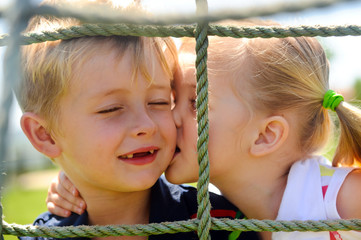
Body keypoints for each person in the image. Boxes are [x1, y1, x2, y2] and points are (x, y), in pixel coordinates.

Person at [48, 19, 361, 240]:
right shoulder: (221, 218)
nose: (172, 117)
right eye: (170, 99)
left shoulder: (339, 198)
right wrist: (81, 176)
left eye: (195, 103)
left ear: (265, 135)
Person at [17, 1, 260, 239]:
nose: (146, 125)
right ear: (44, 134)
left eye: (159, 102)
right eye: (111, 109)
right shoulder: (41, 235)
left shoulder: (223, 225)